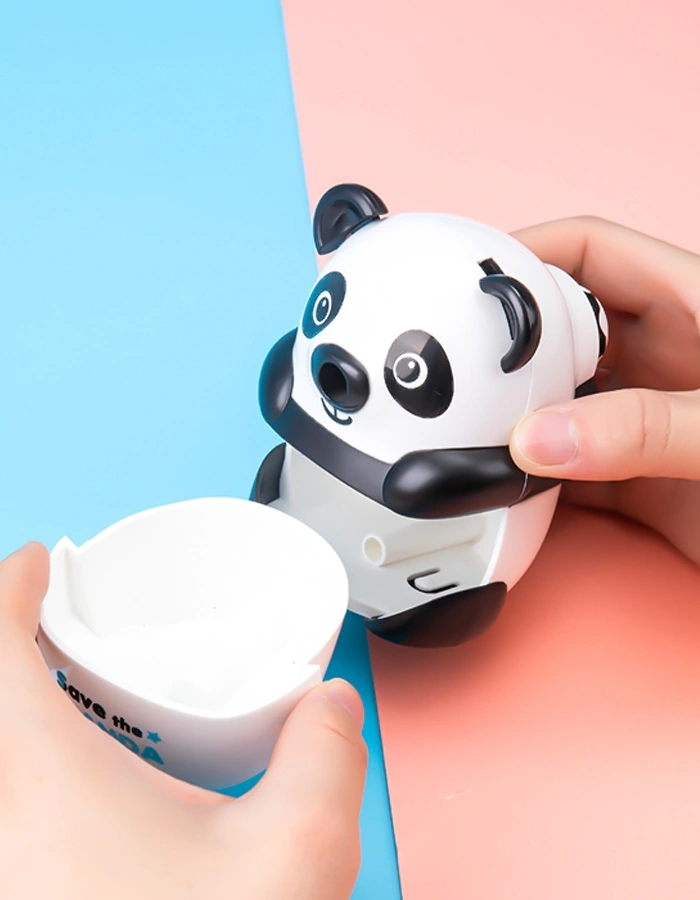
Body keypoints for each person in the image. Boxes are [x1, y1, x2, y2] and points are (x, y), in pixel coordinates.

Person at [1, 216, 698, 898]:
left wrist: (417, 481)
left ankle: (416, 600)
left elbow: (490, 473)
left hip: (441, 573)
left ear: (515, 331)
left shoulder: (522, 370)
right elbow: (292, 391)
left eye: (409, 370)